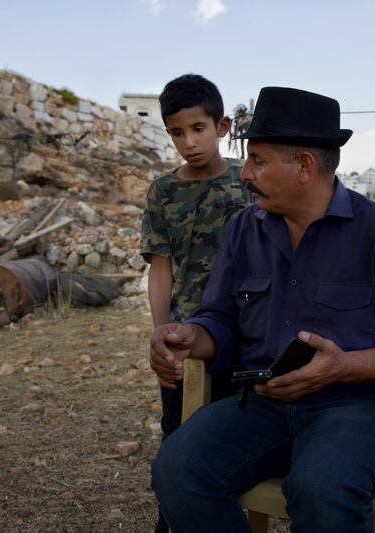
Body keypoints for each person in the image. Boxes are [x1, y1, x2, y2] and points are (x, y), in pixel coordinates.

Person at [149, 86, 375, 533]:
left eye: (258, 161)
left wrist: (343, 367)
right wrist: (190, 337)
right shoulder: (245, 230)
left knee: (321, 490)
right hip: (262, 406)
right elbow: (220, 318)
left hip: (357, 409)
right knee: (177, 468)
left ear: (303, 166)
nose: (245, 173)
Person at [139, 73, 251, 533]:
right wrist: (161, 332)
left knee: (236, 438)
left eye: (198, 129)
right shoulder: (163, 192)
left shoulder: (249, 183)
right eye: (177, 132)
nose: (189, 142)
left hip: (244, 338)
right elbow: (160, 266)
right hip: (186, 341)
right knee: (178, 436)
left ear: (222, 127)